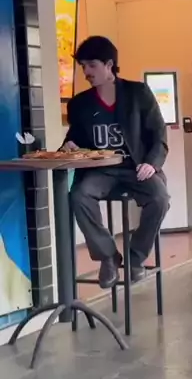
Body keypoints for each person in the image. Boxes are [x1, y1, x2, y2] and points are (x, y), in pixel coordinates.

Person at [63, 35, 170, 289]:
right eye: (83, 66)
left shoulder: (138, 93)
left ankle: (135, 257)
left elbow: (159, 134)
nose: (86, 72)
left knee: (160, 199)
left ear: (109, 65)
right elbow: (74, 138)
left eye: (92, 65)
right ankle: (108, 256)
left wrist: (151, 163)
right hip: (101, 171)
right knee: (79, 195)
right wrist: (69, 146)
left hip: (136, 167)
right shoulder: (80, 104)